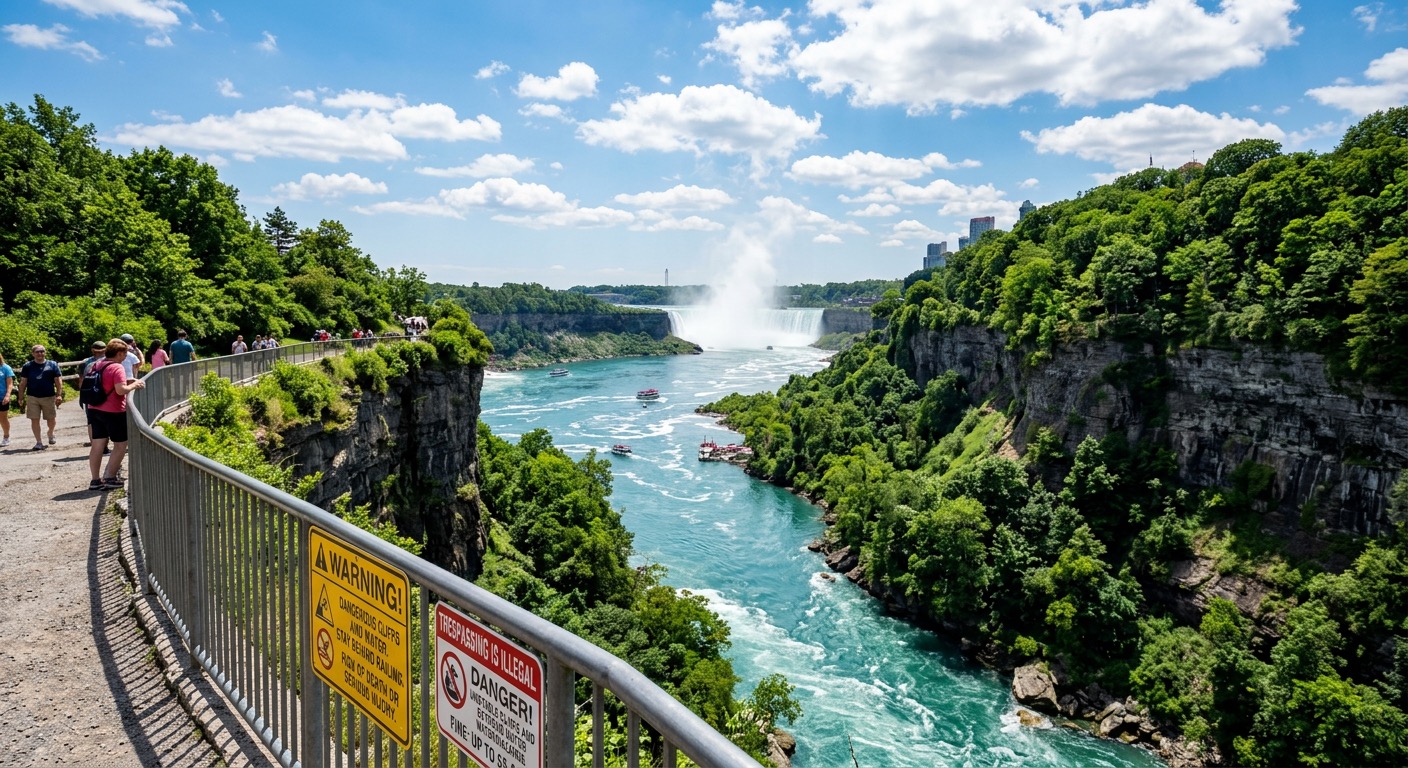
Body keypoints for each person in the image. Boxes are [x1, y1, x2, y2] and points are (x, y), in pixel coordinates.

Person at [86, 339, 145, 491]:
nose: (126, 356)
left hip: (94, 408)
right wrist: (135, 385)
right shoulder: (117, 367)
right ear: (119, 353)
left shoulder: (97, 364)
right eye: (125, 353)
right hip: (112, 411)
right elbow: (120, 390)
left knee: (97, 444)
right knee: (120, 444)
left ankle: (95, 480)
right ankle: (110, 477)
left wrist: (127, 381)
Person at [17, 344, 62, 450]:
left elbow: (58, 381)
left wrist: (59, 395)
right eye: (37, 352)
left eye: (42, 351)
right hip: (32, 397)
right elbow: (23, 382)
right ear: (33, 354)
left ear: (45, 353)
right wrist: (20, 397)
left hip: (49, 396)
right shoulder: (28, 366)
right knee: (34, 419)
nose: (40, 353)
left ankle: (50, 433)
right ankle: (39, 442)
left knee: (51, 419)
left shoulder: (52, 364)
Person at [79, 341, 107, 447]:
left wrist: (82, 396)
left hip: (90, 394)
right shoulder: (110, 361)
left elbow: (81, 380)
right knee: (105, 418)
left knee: (91, 420)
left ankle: (94, 443)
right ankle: (104, 444)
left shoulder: (85, 362)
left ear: (92, 350)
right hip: (105, 394)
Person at [0, 353, 13, 447]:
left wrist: (7, 395)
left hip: (2, 397)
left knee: (3, 418)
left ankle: (6, 436)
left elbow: (9, 384)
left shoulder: (5, 368)